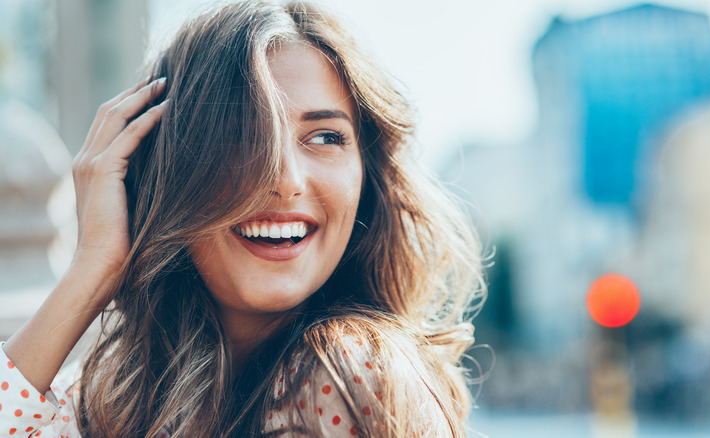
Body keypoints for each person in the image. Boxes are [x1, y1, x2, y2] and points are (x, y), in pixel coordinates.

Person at [0, 1, 485, 436]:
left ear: (367, 178)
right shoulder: (120, 396)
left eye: (325, 137)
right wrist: (93, 269)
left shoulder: (345, 378)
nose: (285, 178)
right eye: (240, 134)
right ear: (165, 173)